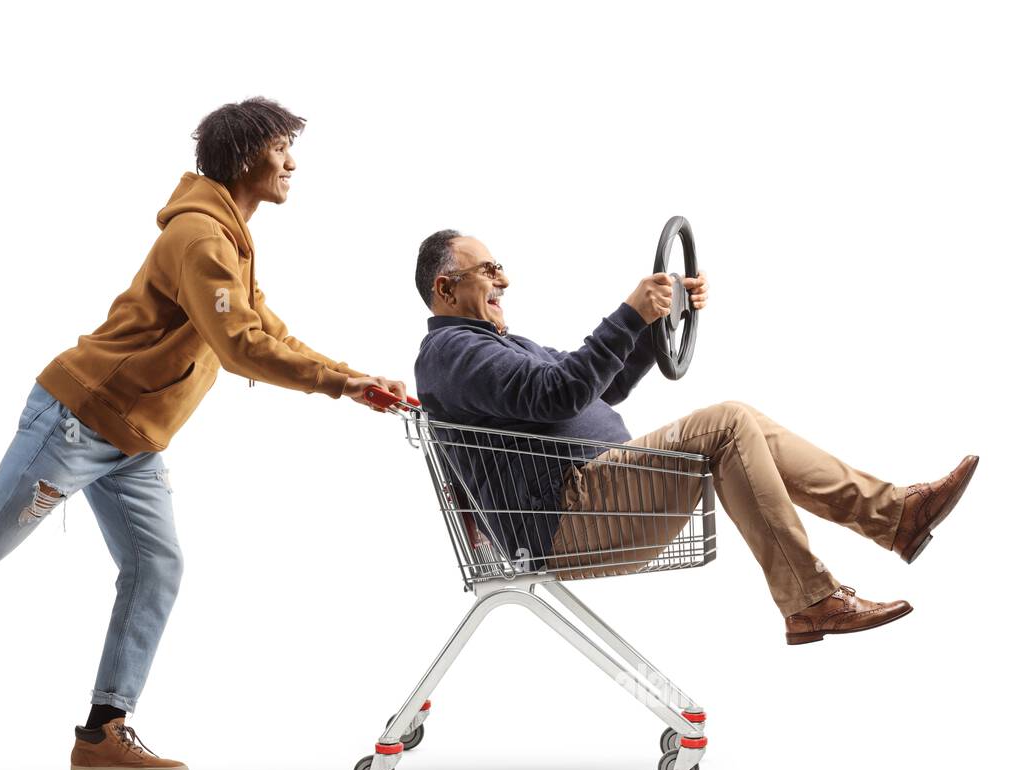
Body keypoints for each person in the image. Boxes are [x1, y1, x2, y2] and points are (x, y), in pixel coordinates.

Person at [0, 97, 407, 770]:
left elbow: (266, 328)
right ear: (244, 155)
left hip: (134, 437)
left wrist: (352, 377)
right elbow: (240, 346)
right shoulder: (201, 238)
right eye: (282, 146)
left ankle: (103, 732)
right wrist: (338, 386)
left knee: (157, 566)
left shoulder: (230, 239)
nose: (293, 161)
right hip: (79, 421)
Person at [411, 229, 977, 645]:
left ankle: (892, 518)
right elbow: (561, 392)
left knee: (742, 425)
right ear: (445, 287)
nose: (503, 279)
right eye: (487, 270)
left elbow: (596, 391)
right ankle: (817, 592)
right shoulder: (453, 353)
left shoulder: (496, 345)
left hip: (602, 496)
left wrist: (656, 321)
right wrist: (630, 313)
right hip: (569, 516)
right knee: (728, 422)